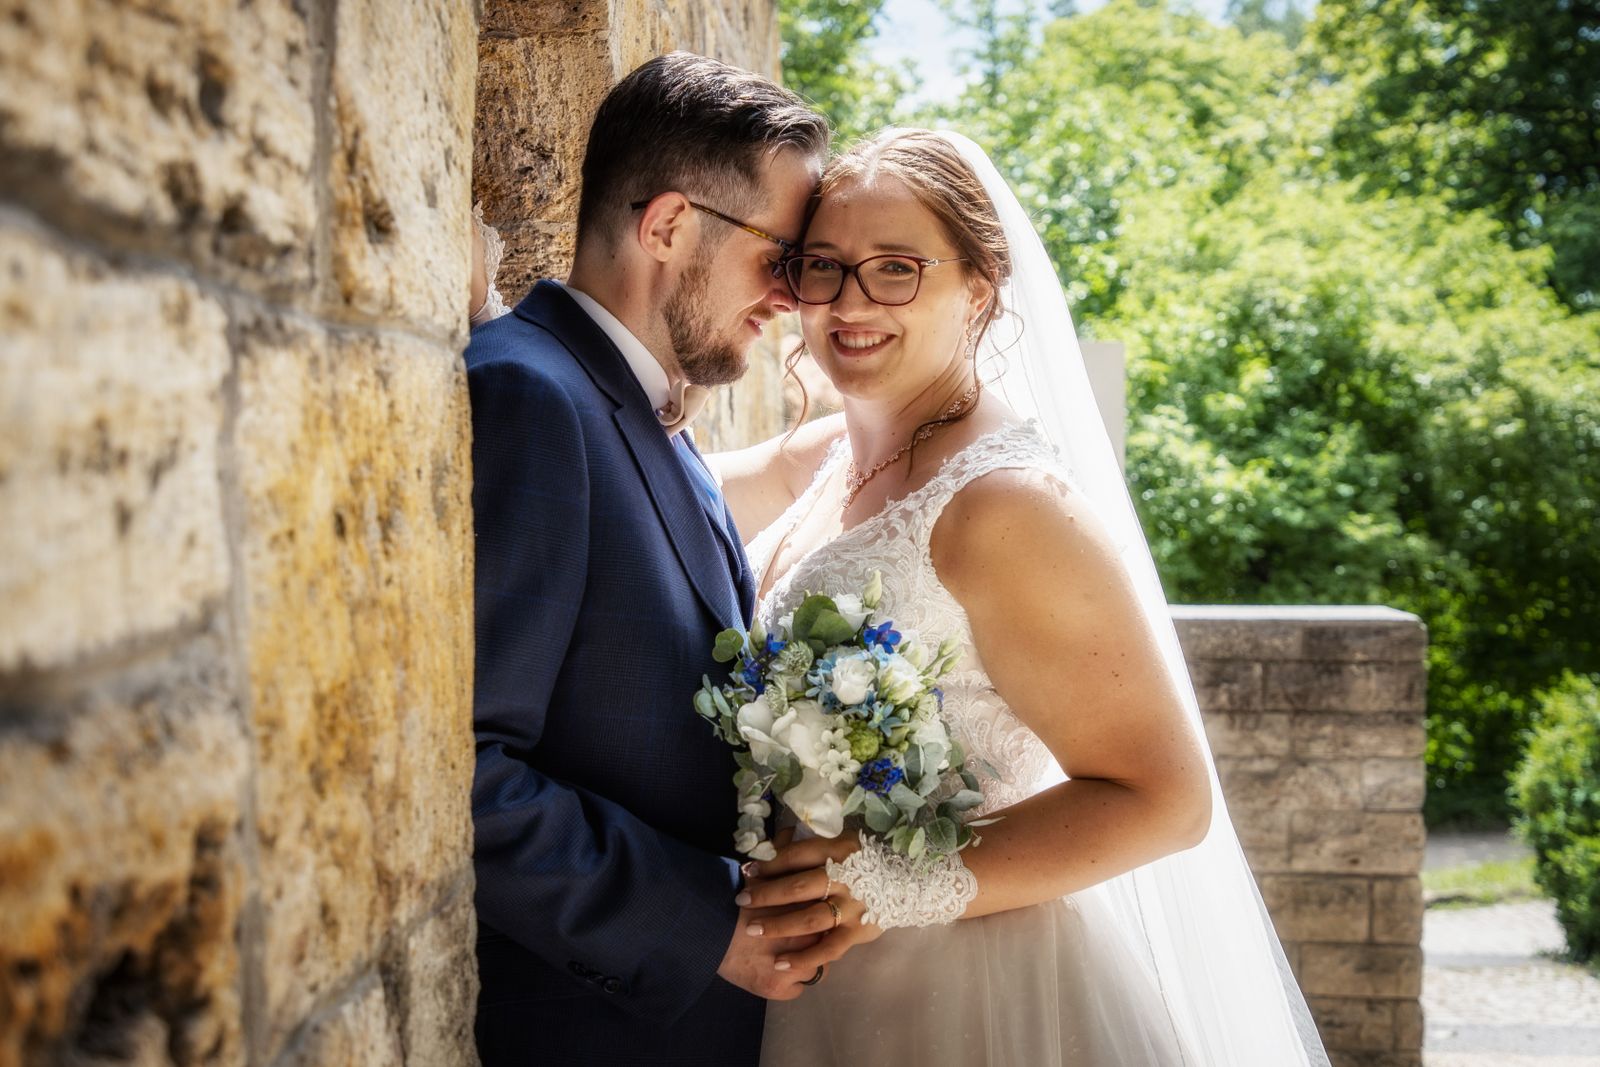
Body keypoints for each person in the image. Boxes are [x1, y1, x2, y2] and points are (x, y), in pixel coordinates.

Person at [711, 129, 1331, 1065]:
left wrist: (886, 885)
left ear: (981, 288)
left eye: (895, 269)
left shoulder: (1008, 506)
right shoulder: (830, 454)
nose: (847, 302)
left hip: (969, 994)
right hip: (805, 989)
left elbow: (1164, 799)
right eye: (822, 268)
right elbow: (643, 465)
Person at [464, 53, 828, 1067]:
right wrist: (708, 924)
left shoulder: (638, 405)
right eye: (780, 259)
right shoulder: (530, 398)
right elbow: (460, 772)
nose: (791, 299)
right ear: (669, 226)